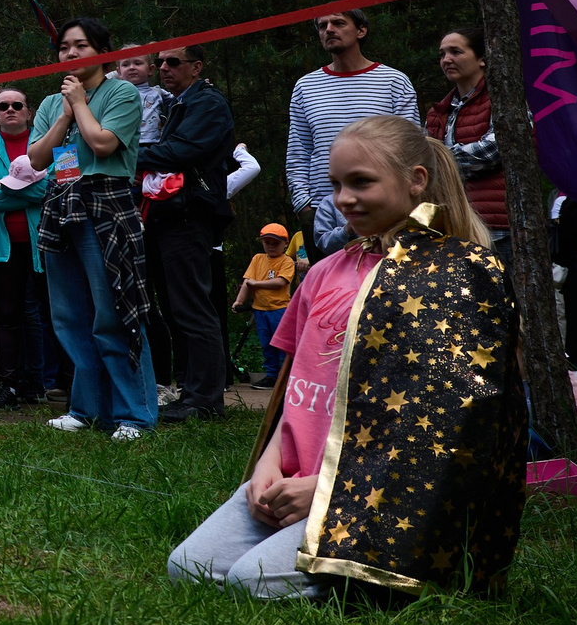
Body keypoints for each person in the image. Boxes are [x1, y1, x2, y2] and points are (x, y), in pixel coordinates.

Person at [167, 116, 525, 599]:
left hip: (376, 495)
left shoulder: (457, 274)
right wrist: (269, 464)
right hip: (291, 478)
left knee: (251, 581)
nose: (343, 198)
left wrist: (328, 490)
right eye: (336, 184)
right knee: (188, 567)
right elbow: (294, 386)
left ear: (416, 180)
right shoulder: (324, 271)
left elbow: (444, 423)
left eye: (361, 182)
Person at [30, 18, 157, 440]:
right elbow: (36, 158)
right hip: (60, 204)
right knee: (70, 316)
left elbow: (103, 144)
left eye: (80, 45)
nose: (70, 53)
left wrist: (80, 104)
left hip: (107, 204)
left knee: (114, 311)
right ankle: (86, 409)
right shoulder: (52, 102)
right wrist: (64, 115)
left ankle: (134, 415)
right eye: (64, 47)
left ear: (103, 52)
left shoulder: (121, 92)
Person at [140, 44, 237, 424]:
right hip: (168, 215)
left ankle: (205, 400)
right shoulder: (178, 104)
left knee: (193, 307)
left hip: (190, 215)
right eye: (160, 62)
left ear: (196, 67)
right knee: (176, 308)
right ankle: (190, 392)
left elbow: (180, 151)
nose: (164, 67)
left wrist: (123, 156)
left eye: (173, 62)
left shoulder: (207, 103)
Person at [285, 9, 419, 253]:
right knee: (328, 280)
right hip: (324, 216)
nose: (329, 30)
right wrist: (303, 205)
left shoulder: (394, 82)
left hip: (384, 210)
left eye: (338, 23)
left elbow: (412, 149)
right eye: (322, 26)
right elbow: (298, 151)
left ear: (361, 30)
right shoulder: (305, 86)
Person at [0, 87, 52, 406]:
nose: (10, 109)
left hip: (47, 242)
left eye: (17, 104)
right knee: (8, 315)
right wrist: (30, 191)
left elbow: (54, 188)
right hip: (4, 247)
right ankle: (8, 386)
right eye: (3, 106)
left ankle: (70, 384)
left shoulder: (49, 141)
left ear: (29, 112)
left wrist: (6, 188)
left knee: (57, 313)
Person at [425, 26, 505, 247]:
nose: (446, 59)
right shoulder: (438, 112)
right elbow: (421, 159)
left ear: (481, 58)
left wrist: (439, 160)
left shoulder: (503, 100)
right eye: (442, 54)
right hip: (452, 226)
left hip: (497, 228)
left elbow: (495, 149)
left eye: (456, 52)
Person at [232, 223, 299, 379]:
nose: (271, 246)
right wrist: (239, 301)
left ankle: (285, 376)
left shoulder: (286, 261)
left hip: (280, 310)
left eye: (276, 243)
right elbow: (247, 281)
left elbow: (280, 282)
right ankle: (271, 375)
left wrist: (257, 284)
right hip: (260, 310)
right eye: (267, 243)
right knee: (266, 343)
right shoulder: (258, 259)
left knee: (281, 343)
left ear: (285, 244)